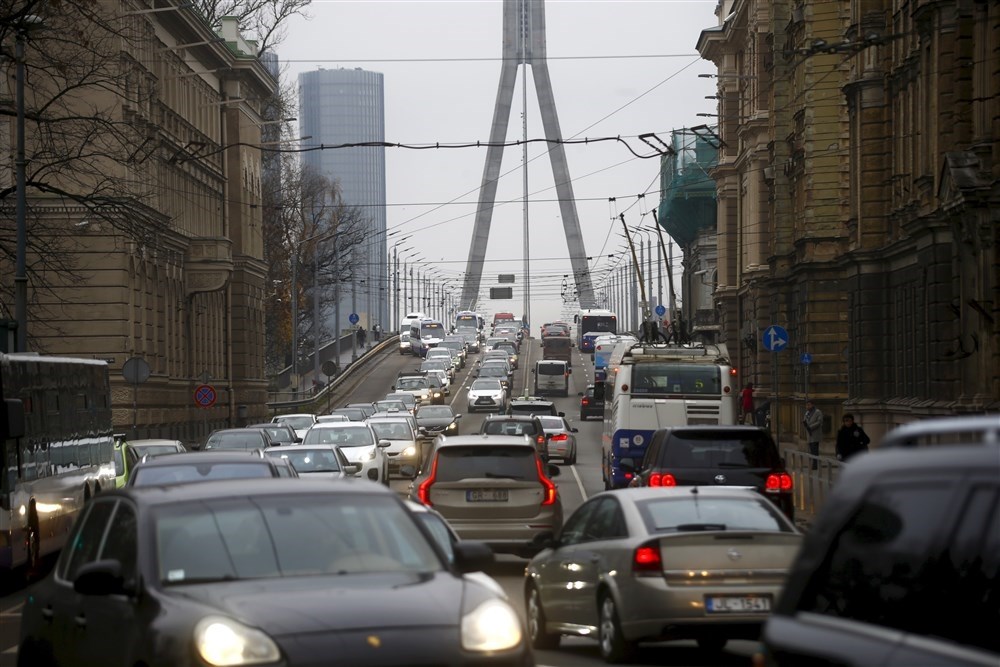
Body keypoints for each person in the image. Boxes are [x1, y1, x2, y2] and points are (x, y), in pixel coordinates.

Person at [802, 400, 823, 469]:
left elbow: (819, 422)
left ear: (812, 405)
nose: (807, 406)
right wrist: (805, 424)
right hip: (809, 434)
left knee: (815, 449)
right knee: (811, 449)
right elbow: (805, 420)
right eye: (807, 405)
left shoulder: (817, 412)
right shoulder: (807, 413)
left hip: (815, 433)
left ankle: (815, 464)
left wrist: (811, 427)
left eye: (809, 405)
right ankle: (814, 463)